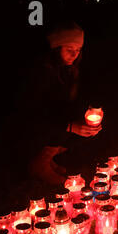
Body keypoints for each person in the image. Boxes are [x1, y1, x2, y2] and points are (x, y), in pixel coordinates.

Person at [17, 21, 102, 185]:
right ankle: (39, 164)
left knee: (85, 123)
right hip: (29, 127)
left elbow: (69, 104)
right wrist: (70, 126)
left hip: (52, 121)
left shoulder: (68, 71)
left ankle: (48, 159)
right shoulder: (40, 73)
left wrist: (91, 115)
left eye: (78, 50)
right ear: (56, 49)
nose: (74, 55)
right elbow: (33, 113)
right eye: (69, 50)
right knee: (70, 122)